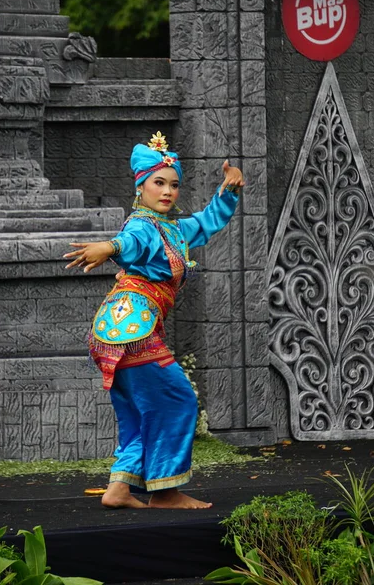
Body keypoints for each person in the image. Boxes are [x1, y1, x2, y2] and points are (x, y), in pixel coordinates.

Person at [64, 131, 245, 509]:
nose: (167, 191)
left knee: (141, 409)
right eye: (158, 183)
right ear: (140, 187)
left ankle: (119, 488)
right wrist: (109, 247)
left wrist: (228, 188)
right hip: (133, 330)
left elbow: (208, 221)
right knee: (177, 401)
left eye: (174, 185)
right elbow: (131, 243)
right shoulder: (143, 225)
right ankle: (164, 492)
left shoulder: (174, 231)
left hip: (122, 329)